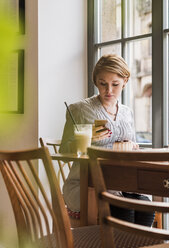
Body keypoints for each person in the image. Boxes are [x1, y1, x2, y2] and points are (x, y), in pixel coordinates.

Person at [60, 54, 154, 226]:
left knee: (146, 207)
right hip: (85, 185)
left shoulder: (127, 112)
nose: (108, 90)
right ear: (96, 81)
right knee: (124, 208)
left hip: (121, 183)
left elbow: (132, 150)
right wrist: (88, 138)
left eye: (115, 84)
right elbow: (64, 151)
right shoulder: (79, 110)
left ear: (125, 81)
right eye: (103, 84)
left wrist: (132, 147)